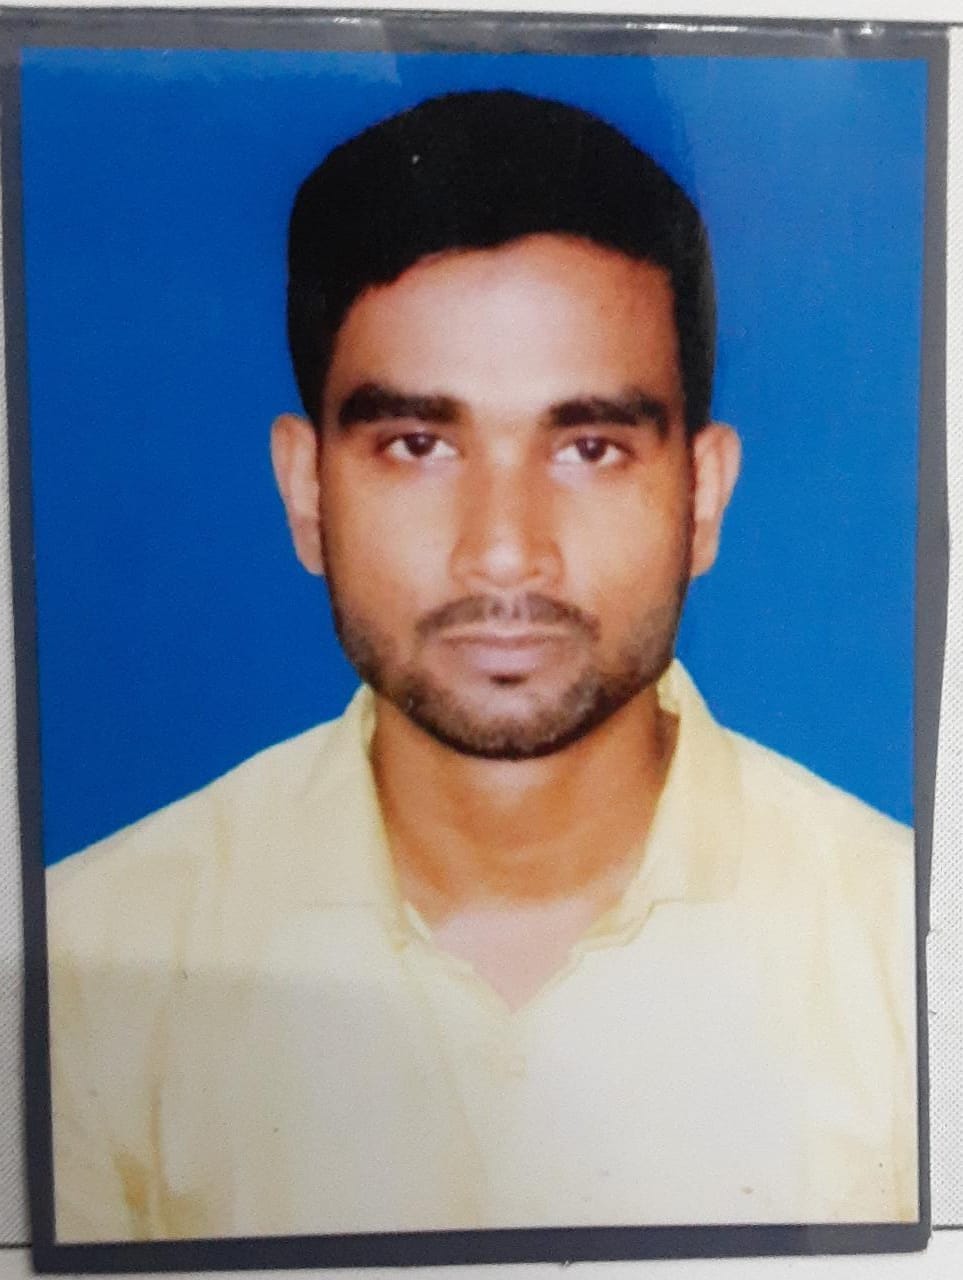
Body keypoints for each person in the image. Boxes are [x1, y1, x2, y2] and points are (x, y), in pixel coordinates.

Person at [46, 89, 917, 1243]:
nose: (504, 549)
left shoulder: (906, 948)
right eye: (418, 444)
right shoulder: (82, 972)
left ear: (703, 494)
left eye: (589, 446)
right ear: (306, 490)